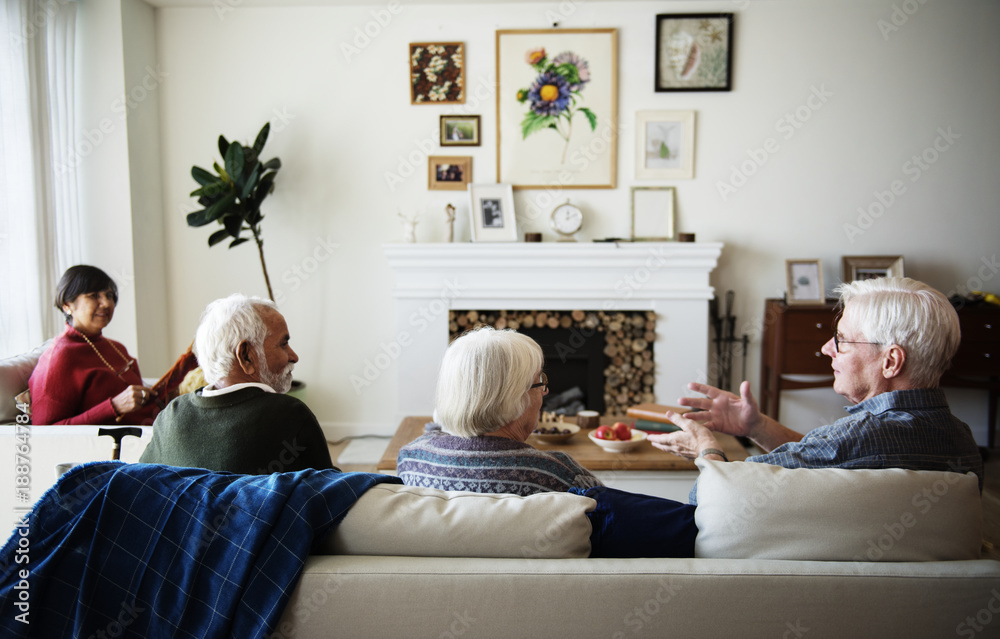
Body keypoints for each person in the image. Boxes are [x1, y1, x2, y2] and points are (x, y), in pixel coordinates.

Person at [647, 277, 984, 500]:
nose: (826, 349)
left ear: (891, 362)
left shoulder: (857, 438)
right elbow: (824, 462)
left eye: (841, 339)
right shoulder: (964, 445)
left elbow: (715, 495)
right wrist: (757, 426)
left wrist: (705, 447)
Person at [139, 293, 338, 474]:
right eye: (283, 344)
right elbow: (330, 495)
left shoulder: (170, 416)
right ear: (245, 356)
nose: (294, 356)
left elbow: (141, 484)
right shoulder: (291, 415)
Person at [397, 326, 602, 496]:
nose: (545, 392)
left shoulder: (411, 458)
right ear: (516, 398)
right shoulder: (562, 477)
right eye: (540, 382)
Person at [29, 265, 158, 425]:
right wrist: (114, 407)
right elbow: (46, 432)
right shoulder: (59, 357)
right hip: (116, 446)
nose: (106, 303)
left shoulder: (117, 348)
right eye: (94, 295)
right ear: (67, 305)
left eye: (109, 295)